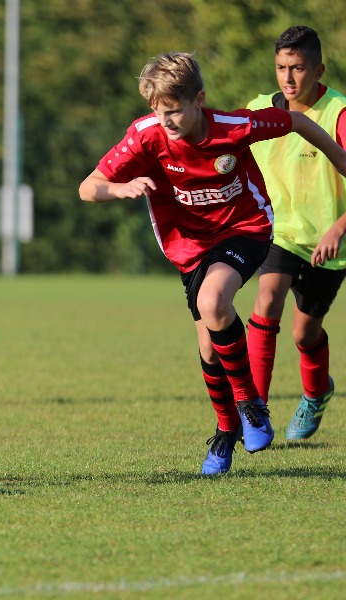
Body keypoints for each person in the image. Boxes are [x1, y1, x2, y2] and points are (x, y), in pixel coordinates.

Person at [78, 51, 346, 476]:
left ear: (198, 100)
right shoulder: (145, 135)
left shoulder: (232, 127)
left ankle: (250, 403)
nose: (165, 120)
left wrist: (339, 158)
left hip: (246, 228)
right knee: (208, 345)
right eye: (158, 110)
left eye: (174, 110)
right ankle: (226, 429)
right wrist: (119, 188)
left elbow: (295, 120)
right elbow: (88, 187)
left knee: (213, 301)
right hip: (189, 246)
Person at [246, 25, 346, 441]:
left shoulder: (338, 113)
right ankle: (255, 413)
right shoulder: (259, 109)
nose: (288, 78)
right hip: (280, 233)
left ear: (318, 70)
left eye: (298, 68)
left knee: (305, 333)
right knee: (267, 299)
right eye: (281, 67)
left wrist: (339, 227)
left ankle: (316, 393)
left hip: (330, 243)